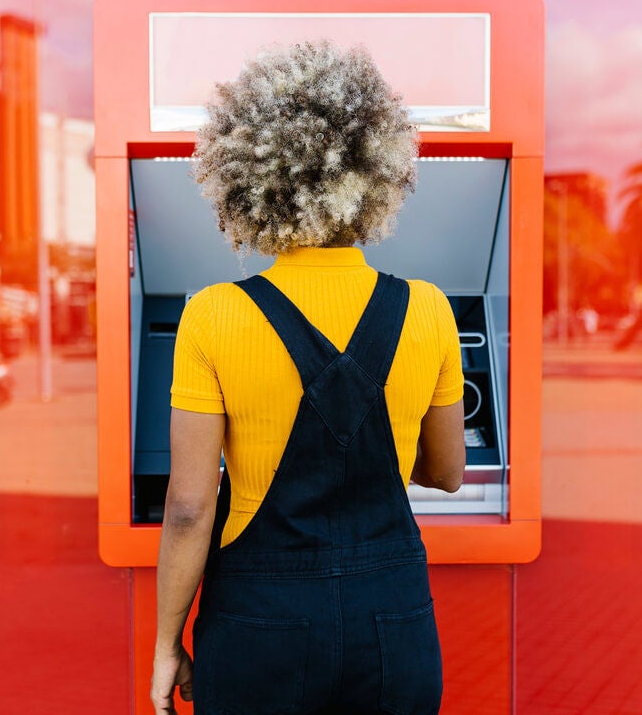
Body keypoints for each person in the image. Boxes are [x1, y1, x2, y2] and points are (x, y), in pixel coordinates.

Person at [152, 40, 466, 715]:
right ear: (375, 170)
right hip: (394, 620)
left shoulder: (213, 315)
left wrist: (165, 643)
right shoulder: (431, 309)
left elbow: (187, 506)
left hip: (260, 623)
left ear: (245, 178)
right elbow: (445, 471)